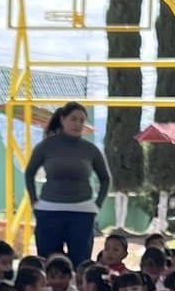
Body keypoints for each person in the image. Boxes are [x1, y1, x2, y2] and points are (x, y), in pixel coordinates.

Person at [23, 102, 111, 265]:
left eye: (81, 120)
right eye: (73, 119)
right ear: (62, 119)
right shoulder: (46, 146)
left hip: (82, 213)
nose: (77, 124)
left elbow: (105, 179)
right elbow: (29, 173)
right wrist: (34, 201)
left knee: (80, 263)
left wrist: (97, 204)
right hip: (49, 212)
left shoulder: (90, 149)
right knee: (50, 263)